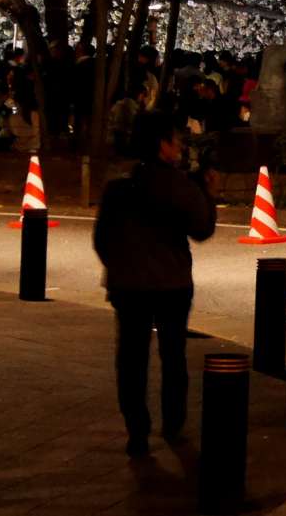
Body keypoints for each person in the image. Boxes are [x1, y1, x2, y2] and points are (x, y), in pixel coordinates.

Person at [93, 110, 219, 458]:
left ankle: (137, 430)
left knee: (131, 360)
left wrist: (121, 268)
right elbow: (202, 229)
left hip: (129, 287)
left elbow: (102, 239)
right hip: (172, 286)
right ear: (162, 145)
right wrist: (207, 193)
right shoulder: (180, 187)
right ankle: (173, 424)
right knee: (173, 356)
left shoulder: (119, 188)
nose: (179, 147)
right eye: (175, 140)